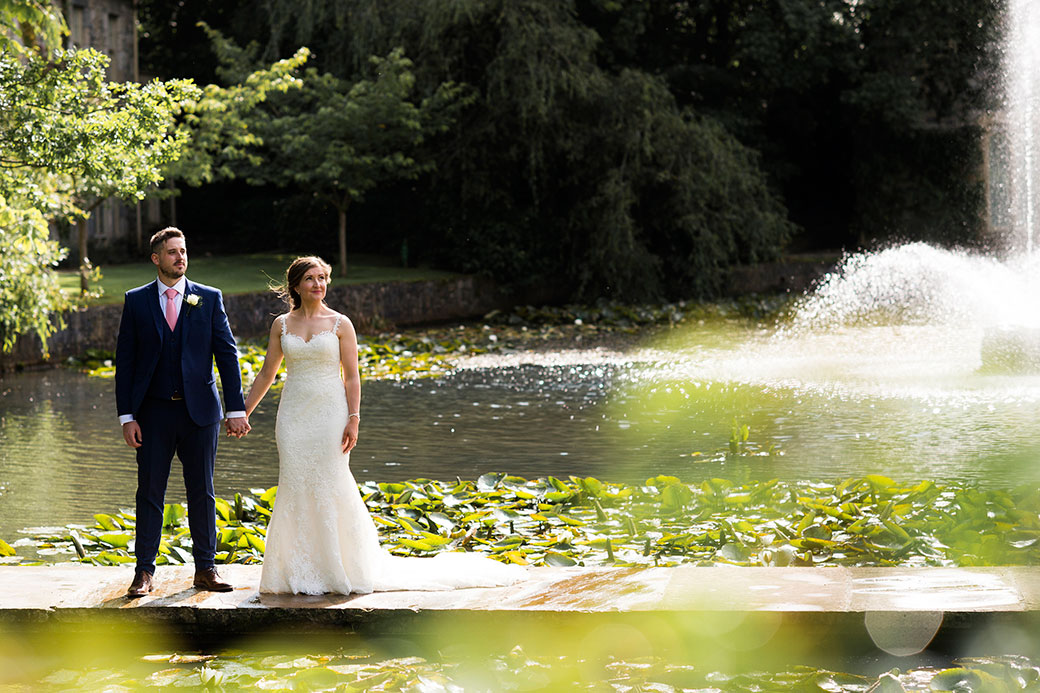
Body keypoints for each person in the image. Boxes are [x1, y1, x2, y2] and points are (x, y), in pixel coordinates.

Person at [245, 256, 521, 594]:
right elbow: (267, 373)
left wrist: (354, 417)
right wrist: (242, 413)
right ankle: (297, 570)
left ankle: (341, 567)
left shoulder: (340, 324)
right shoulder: (282, 325)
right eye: (310, 279)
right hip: (292, 417)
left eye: (322, 278)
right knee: (294, 483)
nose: (318, 284)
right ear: (297, 285)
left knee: (331, 481)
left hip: (331, 414)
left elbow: (352, 377)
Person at [115, 227, 251, 598]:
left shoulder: (208, 298)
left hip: (201, 414)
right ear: (156, 258)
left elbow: (227, 355)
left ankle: (206, 568)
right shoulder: (137, 300)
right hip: (153, 416)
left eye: (184, 251)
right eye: (172, 252)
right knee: (150, 494)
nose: (180, 257)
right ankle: (144, 572)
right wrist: (127, 416)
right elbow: (124, 363)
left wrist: (236, 408)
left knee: (202, 492)